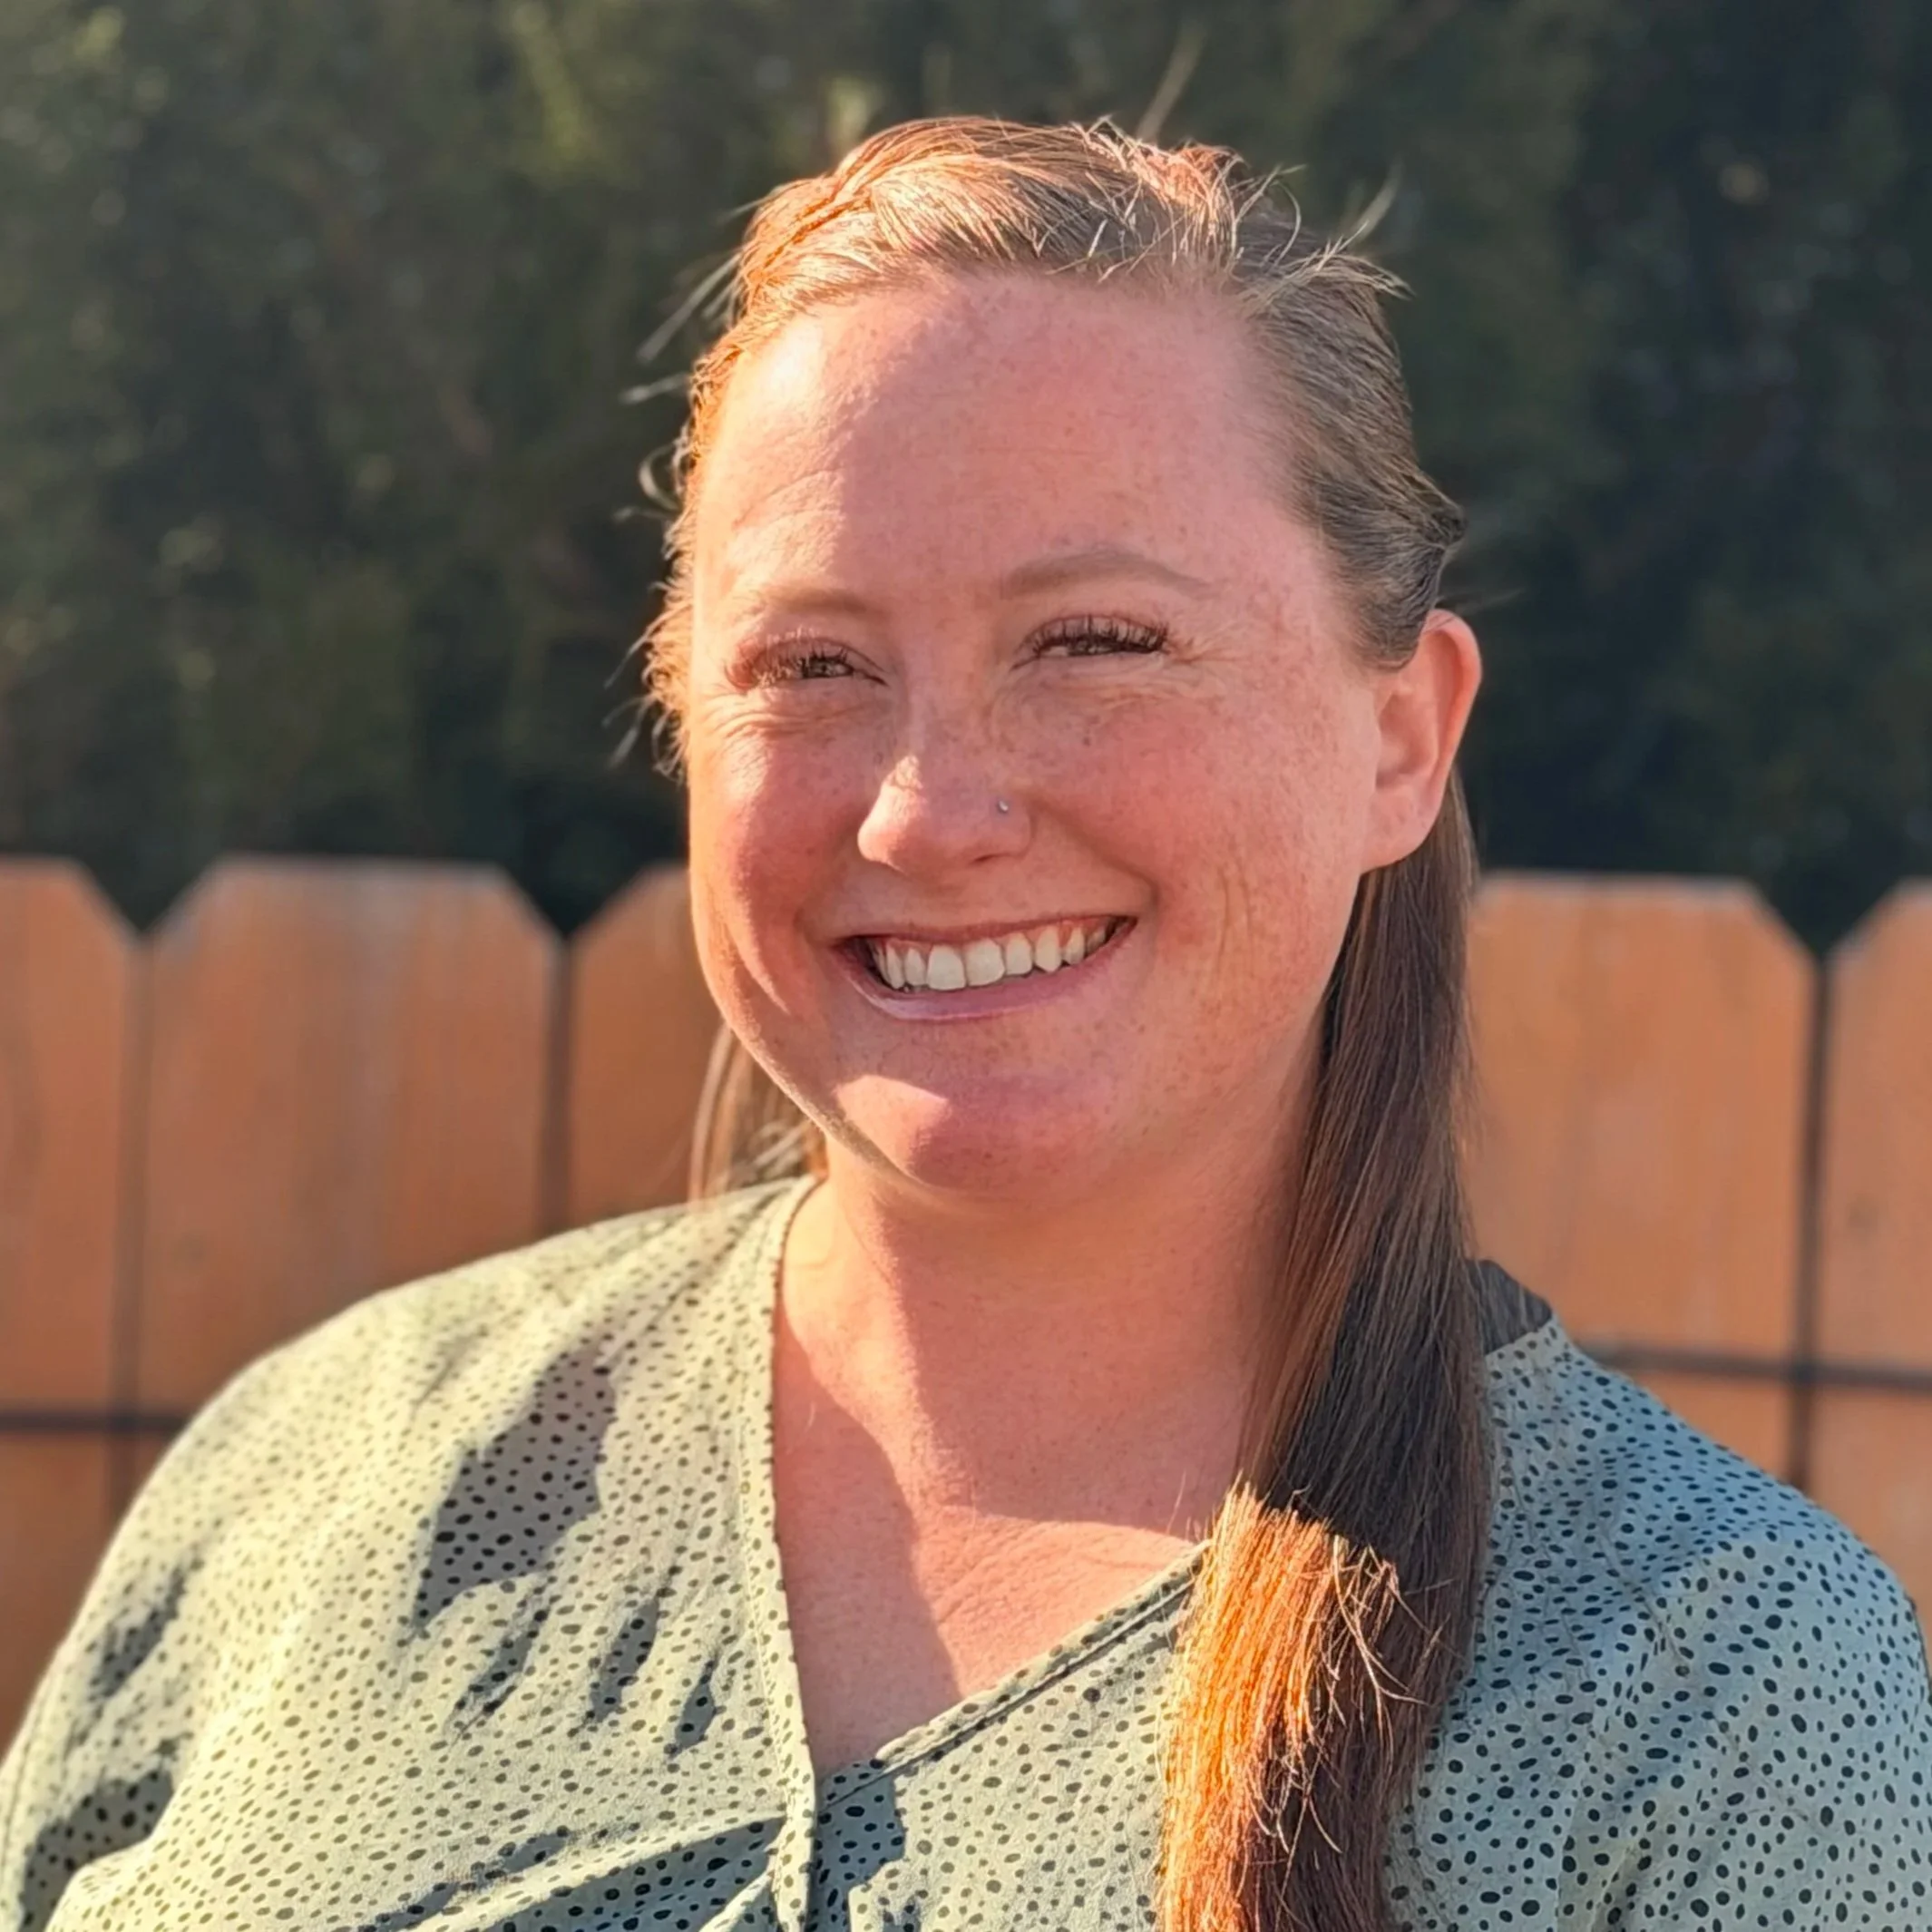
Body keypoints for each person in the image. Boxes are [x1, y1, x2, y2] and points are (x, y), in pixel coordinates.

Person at [2, 118, 1927, 1932]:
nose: (927, 813)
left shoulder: (1717, 1688)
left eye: (1095, 642)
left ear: (1399, 738)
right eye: (812, 665)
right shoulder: (326, 1466)